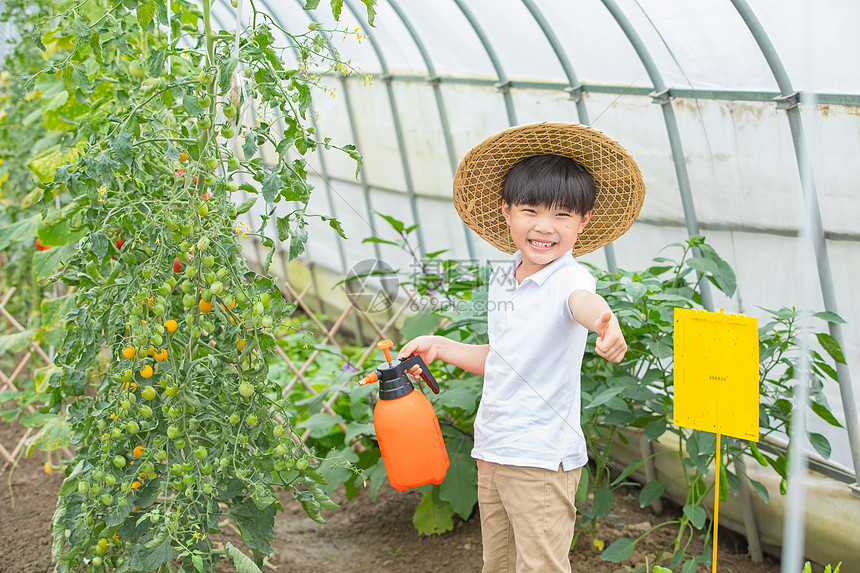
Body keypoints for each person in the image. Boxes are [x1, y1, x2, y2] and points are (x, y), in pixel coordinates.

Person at [397, 123, 646, 573]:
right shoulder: (504, 275)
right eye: (530, 210)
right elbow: (504, 358)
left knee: (540, 567)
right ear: (507, 211)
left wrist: (606, 324)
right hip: (494, 449)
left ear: (584, 222)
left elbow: (585, 304)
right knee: (499, 564)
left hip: (541, 460)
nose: (544, 227)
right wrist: (441, 344)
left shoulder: (570, 279)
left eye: (563, 215)